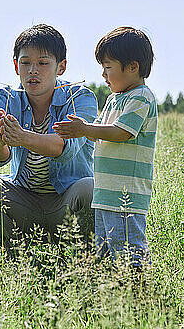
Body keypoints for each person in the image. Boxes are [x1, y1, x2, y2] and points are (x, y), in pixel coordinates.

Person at [0, 24, 98, 254]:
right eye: (25, 62)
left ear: (60, 67)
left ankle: (79, 259)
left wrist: (23, 137)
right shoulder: (5, 98)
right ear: (16, 66)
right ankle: (19, 257)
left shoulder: (80, 97)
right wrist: (1, 140)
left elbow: (66, 148)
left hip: (65, 201)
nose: (33, 70)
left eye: (43, 63)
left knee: (90, 188)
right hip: (23, 198)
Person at [53, 27, 157, 266]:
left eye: (108, 67)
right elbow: (97, 134)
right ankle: (114, 292)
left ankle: (139, 292)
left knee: (128, 249)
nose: (103, 75)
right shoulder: (113, 99)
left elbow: (121, 132)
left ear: (132, 67)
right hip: (106, 191)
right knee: (106, 247)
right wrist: (76, 129)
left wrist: (84, 129)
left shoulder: (140, 97)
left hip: (125, 193)